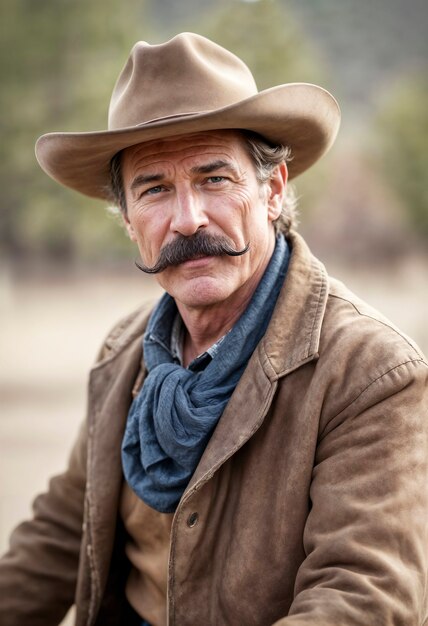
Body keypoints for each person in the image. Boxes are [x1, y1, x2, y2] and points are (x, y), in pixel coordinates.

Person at [0, 32, 427, 626]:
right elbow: (58, 534)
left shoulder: (370, 370)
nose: (188, 218)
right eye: (154, 189)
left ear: (272, 190)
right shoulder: (125, 352)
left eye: (214, 179)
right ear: (127, 218)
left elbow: (364, 597)